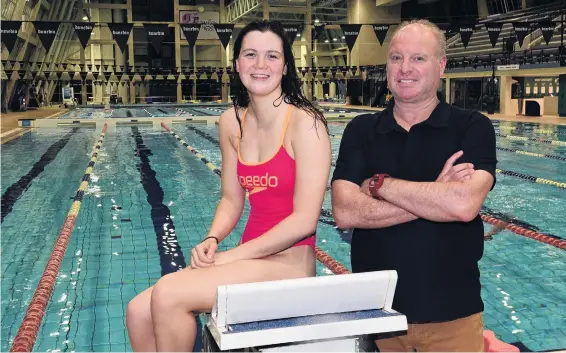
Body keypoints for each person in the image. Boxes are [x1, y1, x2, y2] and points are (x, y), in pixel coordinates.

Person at [126, 20, 331, 352]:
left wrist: (231, 255)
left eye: (272, 56)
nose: (260, 65)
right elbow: (231, 200)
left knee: (169, 293)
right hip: (250, 261)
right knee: (137, 311)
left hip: (290, 264)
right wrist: (213, 238)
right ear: (237, 65)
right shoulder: (230, 122)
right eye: (251, 55)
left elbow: (304, 221)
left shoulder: (306, 123)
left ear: (286, 65)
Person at [331, 19, 497, 352]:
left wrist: (379, 184)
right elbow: (345, 211)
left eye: (418, 58)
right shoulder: (361, 131)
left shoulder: (472, 127)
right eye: (396, 58)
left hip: (453, 317)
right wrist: (436, 194)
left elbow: (463, 205)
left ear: (441, 66)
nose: (405, 68)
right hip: (379, 317)